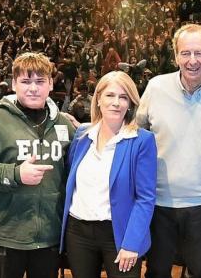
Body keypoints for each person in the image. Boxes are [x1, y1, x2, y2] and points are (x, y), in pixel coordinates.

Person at [136, 24, 201, 278]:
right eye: (186, 53)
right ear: (175, 55)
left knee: (200, 270)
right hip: (159, 202)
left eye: (199, 53)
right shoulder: (156, 87)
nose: (193, 61)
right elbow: (134, 132)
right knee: (157, 270)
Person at [0, 52, 76, 278]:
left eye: (40, 81)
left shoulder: (64, 124)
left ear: (50, 83)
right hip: (7, 233)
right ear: (14, 83)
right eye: (26, 81)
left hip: (50, 235)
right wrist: (15, 174)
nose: (33, 88)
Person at [62, 71, 157, 278]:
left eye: (123, 97)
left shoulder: (142, 140)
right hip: (78, 232)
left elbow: (146, 198)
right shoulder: (82, 135)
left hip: (119, 233)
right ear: (98, 99)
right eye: (110, 95)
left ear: (130, 103)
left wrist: (131, 243)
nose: (116, 103)